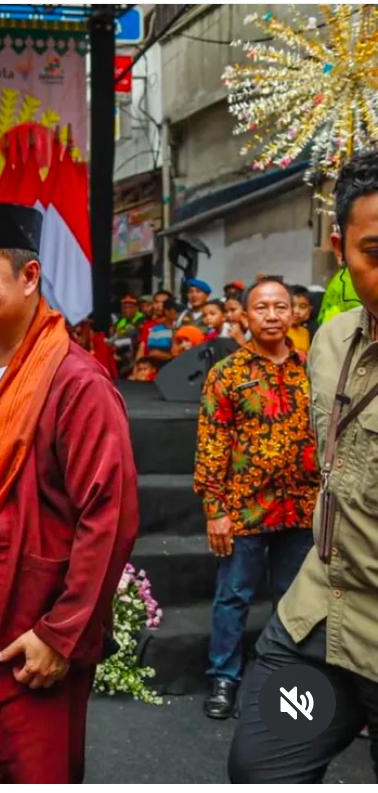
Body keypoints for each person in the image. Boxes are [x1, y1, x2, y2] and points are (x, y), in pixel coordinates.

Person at [0, 202, 138, 783]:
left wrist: (61, 633)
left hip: (25, 625)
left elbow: (108, 516)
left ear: (29, 277)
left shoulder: (75, 382)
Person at [228, 150, 378, 783]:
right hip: (318, 623)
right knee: (263, 769)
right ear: (340, 249)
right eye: (375, 251)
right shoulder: (330, 341)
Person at [193, 278, 318, 721]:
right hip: (243, 508)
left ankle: (286, 679)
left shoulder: (311, 367)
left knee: (295, 598)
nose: (271, 315)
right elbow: (211, 442)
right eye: (261, 307)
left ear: (293, 314)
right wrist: (216, 512)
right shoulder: (227, 373)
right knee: (234, 597)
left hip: (300, 507)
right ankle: (224, 676)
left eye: (280, 306)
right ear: (244, 317)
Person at [136, 296, 176, 364]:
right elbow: (150, 351)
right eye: (156, 302)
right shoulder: (154, 328)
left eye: (163, 302)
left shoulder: (181, 326)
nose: (159, 305)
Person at [287, 284, 313, 353]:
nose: (296, 311)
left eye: (302, 306)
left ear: (309, 311)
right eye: (292, 305)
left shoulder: (305, 332)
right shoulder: (279, 332)